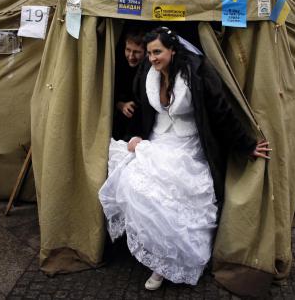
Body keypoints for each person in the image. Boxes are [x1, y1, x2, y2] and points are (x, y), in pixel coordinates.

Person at [99, 27, 270, 290]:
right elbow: (141, 107)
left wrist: (247, 145)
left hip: (188, 145)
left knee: (175, 201)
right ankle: (157, 253)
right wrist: (135, 136)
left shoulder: (195, 73)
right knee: (137, 186)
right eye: (150, 53)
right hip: (158, 140)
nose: (152, 58)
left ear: (172, 50)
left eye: (158, 52)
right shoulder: (147, 72)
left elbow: (221, 112)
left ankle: (165, 265)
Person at [112, 29, 146, 141]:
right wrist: (120, 104)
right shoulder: (116, 66)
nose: (131, 56)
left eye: (136, 52)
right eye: (128, 50)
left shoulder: (151, 71)